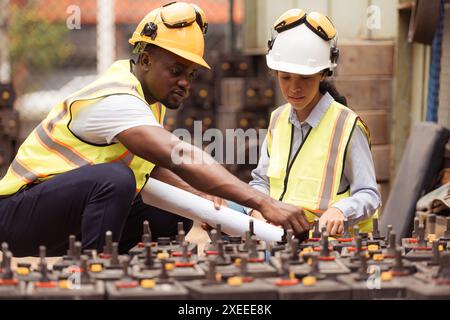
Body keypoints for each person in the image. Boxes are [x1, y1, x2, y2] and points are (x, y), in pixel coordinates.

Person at [0, 2, 309, 257]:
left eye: (190, 74)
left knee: (173, 208)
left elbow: (153, 170)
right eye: (175, 71)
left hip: (59, 216)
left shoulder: (150, 103)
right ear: (145, 60)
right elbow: (177, 155)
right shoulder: (117, 98)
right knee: (115, 180)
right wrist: (264, 202)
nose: (185, 83)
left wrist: (204, 199)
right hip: (15, 218)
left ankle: (125, 263)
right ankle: (93, 275)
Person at [246, 9, 381, 236]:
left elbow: (369, 194)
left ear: (323, 74)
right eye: (285, 77)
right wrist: (256, 209)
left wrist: (340, 210)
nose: (294, 88)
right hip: (279, 239)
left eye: (305, 78)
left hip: (331, 248)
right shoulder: (277, 119)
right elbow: (261, 181)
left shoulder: (347, 126)